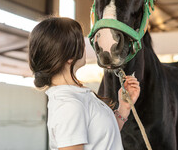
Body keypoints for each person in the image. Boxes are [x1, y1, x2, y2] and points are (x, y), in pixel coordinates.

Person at [28, 16, 140, 150]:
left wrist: (124, 108)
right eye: (81, 42)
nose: (85, 46)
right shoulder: (68, 105)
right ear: (70, 56)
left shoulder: (77, 96)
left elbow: (104, 140)